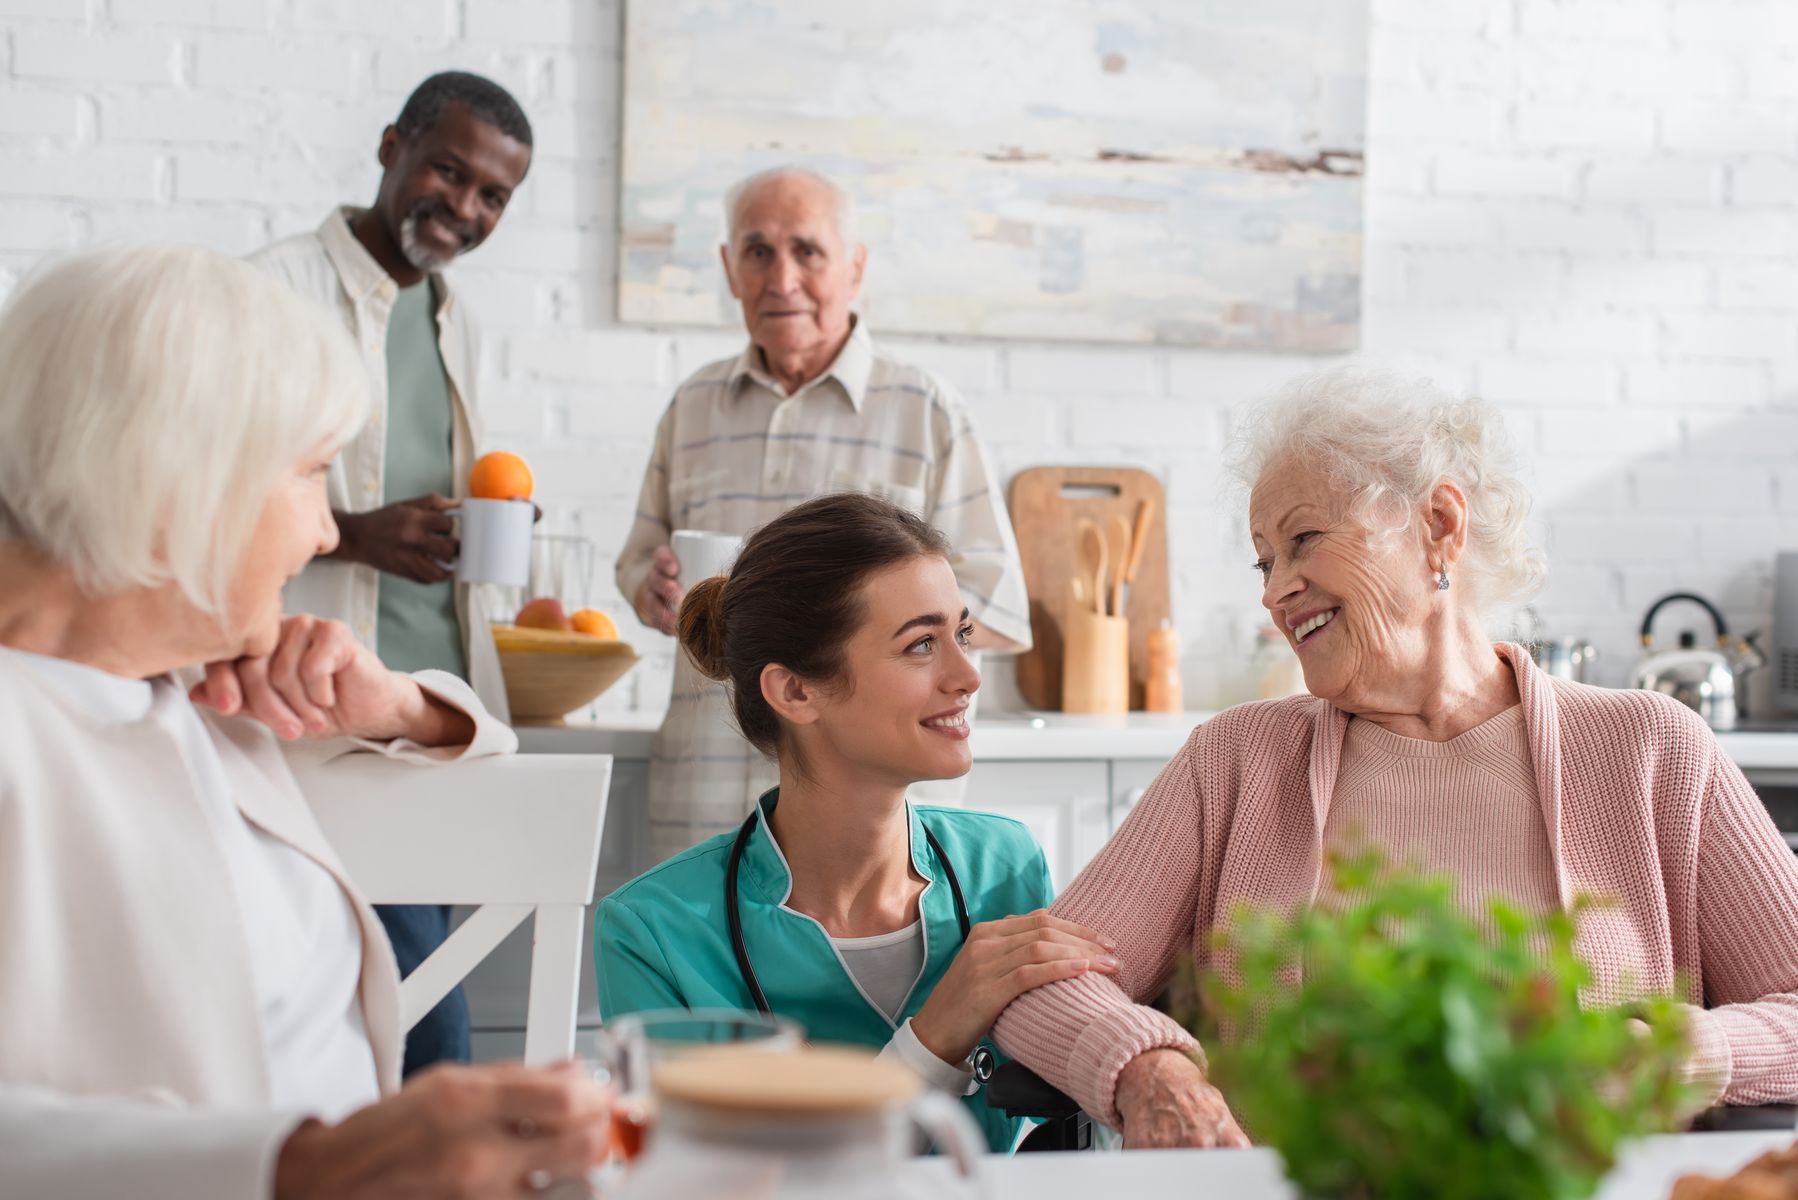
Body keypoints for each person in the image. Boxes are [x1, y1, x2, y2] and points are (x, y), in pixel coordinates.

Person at [991, 366, 1798, 1147]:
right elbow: (1042, 979)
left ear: (1439, 525)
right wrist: (1151, 1068)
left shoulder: (1652, 749)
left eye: (1305, 539)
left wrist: (1690, 1054)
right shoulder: (1233, 762)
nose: (1274, 591)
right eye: (1265, 560)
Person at [0, 244, 609, 1197]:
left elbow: (485, 757)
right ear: (184, 479)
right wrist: (308, 1166)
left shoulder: (196, 695)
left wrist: (397, 700)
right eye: (313, 473)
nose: (328, 532)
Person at [594, 493, 1112, 1152]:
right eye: (921, 644)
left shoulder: (1003, 865)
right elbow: (703, 1180)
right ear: (796, 692)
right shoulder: (653, 933)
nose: (967, 677)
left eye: (963, 634)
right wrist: (934, 1036)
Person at [615, 165, 1031, 862]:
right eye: (757, 252)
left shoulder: (923, 408)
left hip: (875, 808)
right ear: (728, 269)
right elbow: (637, 561)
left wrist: (859, 637)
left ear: (855, 266)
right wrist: (650, 590)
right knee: (703, 970)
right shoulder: (692, 406)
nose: (781, 279)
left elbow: (994, 605)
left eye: (807, 251)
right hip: (704, 792)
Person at [252, 69, 533, 1075]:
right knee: (411, 1031)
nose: (463, 207)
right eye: (447, 171)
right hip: (320, 707)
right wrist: (358, 533)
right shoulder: (272, 292)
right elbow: (200, 495)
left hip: (438, 716)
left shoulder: (462, 321)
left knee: (410, 1008)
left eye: (492, 194)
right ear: (391, 147)